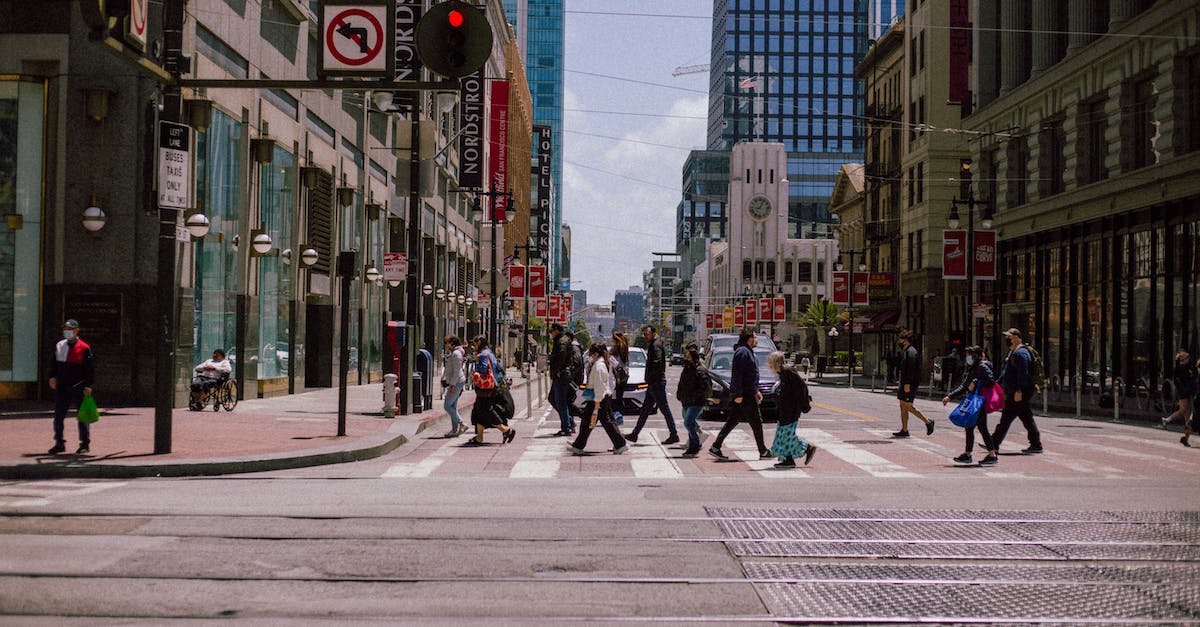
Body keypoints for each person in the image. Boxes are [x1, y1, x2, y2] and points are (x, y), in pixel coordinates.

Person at [708, 329, 773, 461]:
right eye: (755, 337)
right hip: (745, 394)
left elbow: (750, 375)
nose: (757, 339)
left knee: (733, 420)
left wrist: (756, 391)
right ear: (749, 338)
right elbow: (737, 375)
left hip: (748, 392)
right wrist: (738, 394)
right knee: (756, 422)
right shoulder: (743, 352)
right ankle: (763, 451)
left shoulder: (746, 351)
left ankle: (716, 446)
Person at [941, 345, 999, 465]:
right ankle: (969, 454)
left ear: (976, 356)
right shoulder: (972, 368)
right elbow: (964, 386)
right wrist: (950, 396)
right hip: (974, 402)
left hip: (979, 402)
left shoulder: (982, 367)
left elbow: (991, 380)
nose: (967, 358)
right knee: (970, 427)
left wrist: (976, 382)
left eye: (969, 355)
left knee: (981, 428)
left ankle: (991, 455)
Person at [568, 343, 628, 455]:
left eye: (591, 354)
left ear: (596, 354)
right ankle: (579, 445)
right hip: (600, 397)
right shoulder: (601, 363)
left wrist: (597, 403)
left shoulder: (599, 366)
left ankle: (620, 444)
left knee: (598, 422)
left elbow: (600, 386)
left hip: (598, 398)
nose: (590, 356)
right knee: (597, 421)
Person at [624, 325, 680, 445]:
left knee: (664, 409)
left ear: (654, 333)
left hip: (656, 383)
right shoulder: (655, 344)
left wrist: (653, 378)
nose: (645, 336)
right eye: (644, 334)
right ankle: (635, 434)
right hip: (653, 383)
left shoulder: (656, 345)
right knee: (645, 410)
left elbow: (658, 362)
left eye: (647, 334)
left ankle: (674, 434)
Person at [992, 328, 1043, 454]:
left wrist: (1019, 390)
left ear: (1017, 337)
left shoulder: (1021, 353)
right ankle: (1036, 444)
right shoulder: (1013, 352)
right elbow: (1005, 373)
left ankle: (993, 444)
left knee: (1006, 418)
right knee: (1026, 418)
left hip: (1019, 392)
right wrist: (996, 384)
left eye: (1010, 337)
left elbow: (1023, 373)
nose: (1007, 339)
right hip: (1015, 392)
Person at [47, 319, 95, 455]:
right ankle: (59, 443)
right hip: (62, 386)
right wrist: (52, 376)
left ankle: (84, 444)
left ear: (77, 330)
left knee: (82, 416)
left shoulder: (84, 348)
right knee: (58, 415)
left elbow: (89, 369)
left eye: (70, 329)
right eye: (65, 329)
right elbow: (53, 364)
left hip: (78, 385)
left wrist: (88, 385)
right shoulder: (60, 345)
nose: (67, 331)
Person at [767, 351, 817, 468]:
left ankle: (790, 459)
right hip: (785, 410)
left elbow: (802, 388)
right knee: (784, 435)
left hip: (791, 411)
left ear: (775, 362)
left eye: (770, 362)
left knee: (786, 435)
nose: (769, 365)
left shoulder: (788, 372)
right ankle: (801, 451)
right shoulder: (783, 373)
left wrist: (804, 405)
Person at [466, 335, 516, 446]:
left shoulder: (483, 354)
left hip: (486, 387)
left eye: (474, 343)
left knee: (485, 410)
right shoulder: (490, 352)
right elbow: (499, 369)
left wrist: (477, 361)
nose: (473, 346)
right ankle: (479, 438)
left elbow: (484, 369)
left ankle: (506, 430)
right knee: (478, 411)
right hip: (495, 385)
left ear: (479, 343)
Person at [894, 329, 935, 438]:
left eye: (901, 339)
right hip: (904, 383)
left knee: (908, 406)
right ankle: (904, 429)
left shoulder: (911, 352)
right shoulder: (906, 351)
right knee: (902, 406)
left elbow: (911, 370)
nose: (900, 341)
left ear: (906, 340)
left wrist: (907, 383)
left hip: (909, 384)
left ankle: (928, 422)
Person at [675, 344, 712, 458]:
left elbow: (703, 387)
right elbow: (682, 382)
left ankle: (695, 444)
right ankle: (692, 446)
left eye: (688, 356)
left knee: (688, 422)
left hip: (696, 402)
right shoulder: (687, 368)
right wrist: (679, 394)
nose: (686, 358)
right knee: (689, 422)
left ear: (693, 358)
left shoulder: (700, 370)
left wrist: (693, 397)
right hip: (686, 400)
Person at [547, 323, 576, 436]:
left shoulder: (562, 341)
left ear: (556, 330)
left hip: (561, 375)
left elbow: (561, 356)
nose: (550, 334)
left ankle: (566, 427)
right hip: (559, 375)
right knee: (552, 399)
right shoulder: (560, 340)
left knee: (561, 402)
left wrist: (558, 371)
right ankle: (568, 421)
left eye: (551, 331)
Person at [1164, 348, 1197, 447]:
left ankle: (1185, 438)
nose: (1188, 359)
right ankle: (1167, 420)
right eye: (1186, 358)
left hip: (1188, 392)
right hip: (1183, 393)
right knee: (1184, 411)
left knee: (1188, 417)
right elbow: (1180, 380)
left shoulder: (1188, 367)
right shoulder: (1181, 368)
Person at [442, 335, 469, 437]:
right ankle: (454, 430)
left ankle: (462, 423)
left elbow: (456, 371)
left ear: (452, 343)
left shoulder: (456, 354)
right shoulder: (455, 353)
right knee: (453, 406)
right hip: (456, 382)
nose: (445, 345)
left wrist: (452, 385)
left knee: (447, 405)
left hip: (456, 382)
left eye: (447, 342)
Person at [610, 331, 631, 425]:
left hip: (619, 374)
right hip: (625, 374)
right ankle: (620, 415)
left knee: (614, 396)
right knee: (619, 396)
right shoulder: (625, 346)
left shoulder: (618, 346)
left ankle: (617, 416)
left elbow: (612, 359)